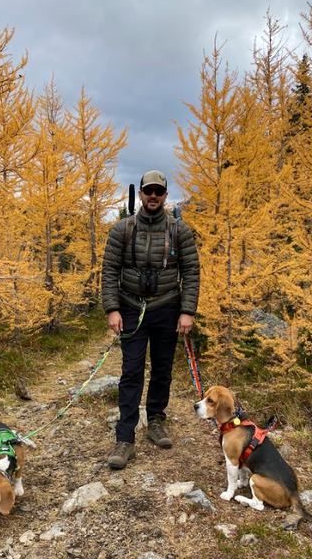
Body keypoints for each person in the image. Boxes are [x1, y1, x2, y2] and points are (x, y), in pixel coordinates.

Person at [101, 170, 200, 469]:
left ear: (166, 195)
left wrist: (187, 311)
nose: (153, 196)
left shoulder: (179, 231)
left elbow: (192, 273)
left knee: (162, 369)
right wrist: (112, 308)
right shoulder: (122, 229)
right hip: (131, 308)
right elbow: (109, 272)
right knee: (131, 371)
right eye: (149, 191)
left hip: (167, 307)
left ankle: (156, 420)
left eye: (159, 191)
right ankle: (125, 438)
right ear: (141, 194)